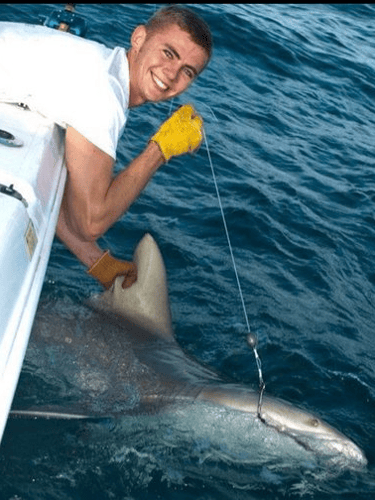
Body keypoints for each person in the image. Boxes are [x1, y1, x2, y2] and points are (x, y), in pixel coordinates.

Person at [0, 5, 212, 289]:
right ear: (138, 38)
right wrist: (159, 150)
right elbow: (89, 223)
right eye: (168, 53)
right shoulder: (104, 96)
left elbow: (69, 191)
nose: (172, 74)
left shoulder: (103, 67)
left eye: (187, 71)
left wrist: (98, 263)